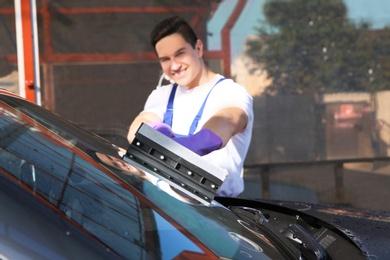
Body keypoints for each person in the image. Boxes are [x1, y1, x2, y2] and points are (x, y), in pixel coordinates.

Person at [127, 16, 253, 197]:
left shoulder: (231, 92)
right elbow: (137, 129)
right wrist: (156, 129)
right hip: (162, 202)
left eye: (180, 54)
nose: (174, 66)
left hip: (215, 210)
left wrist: (167, 147)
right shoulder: (162, 94)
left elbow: (226, 122)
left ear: (199, 48)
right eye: (165, 59)